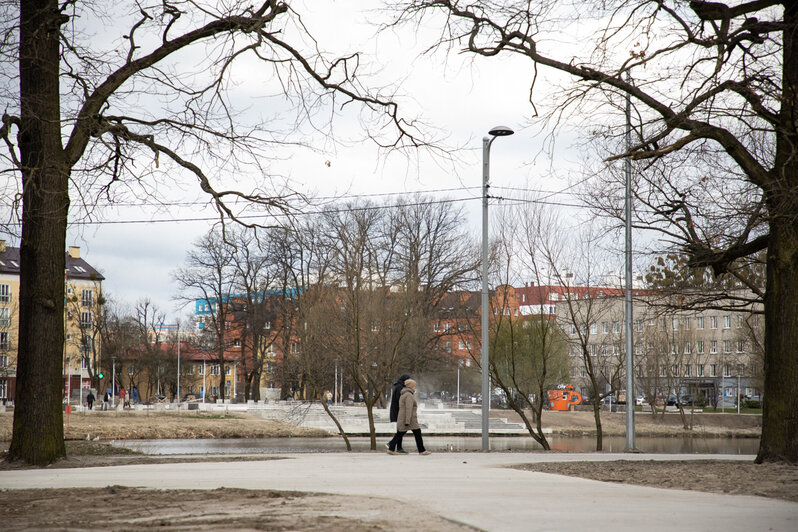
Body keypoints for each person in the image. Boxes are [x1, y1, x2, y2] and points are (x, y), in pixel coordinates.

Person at [391, 378, 430, 455]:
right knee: (416, 433)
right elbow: (408, 409)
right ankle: (422, 450)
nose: (415, 387)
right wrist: (407, 421)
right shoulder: (409, 395)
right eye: (414, 386)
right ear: (411, 387)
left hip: (405, 418)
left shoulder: (404, 394)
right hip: (409, 419)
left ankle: (391, 448)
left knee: (400, 434)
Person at [385, 373, 410, 453]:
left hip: (396, 411)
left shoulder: (397, 386)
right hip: (398, 411)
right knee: (402, 429)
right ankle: (392, 444)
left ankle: (397, 447)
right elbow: (400, 400)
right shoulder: (400, 387)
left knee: (400, 429)